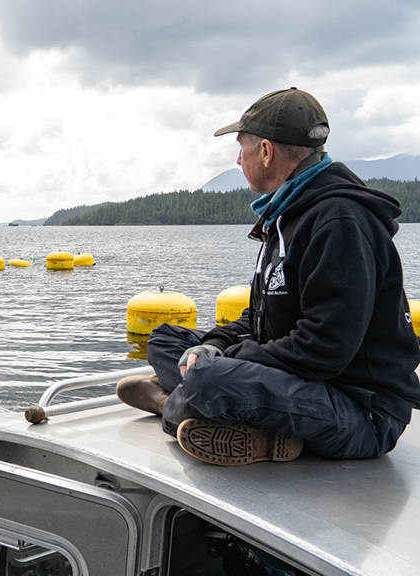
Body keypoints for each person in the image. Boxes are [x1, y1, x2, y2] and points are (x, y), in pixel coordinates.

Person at [116, 87, 420, 466]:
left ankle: (173, 404)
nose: (237, 158)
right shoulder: (290, 214)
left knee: (210, 377)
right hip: (309, 382)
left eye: (242, 147)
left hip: (360, 410)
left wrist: (223, 358)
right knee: (167, 340)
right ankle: (214, 408)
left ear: (265, 151)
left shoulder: (339, 221)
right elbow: (262, 317)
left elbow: (324, 350)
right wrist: (212, 344)